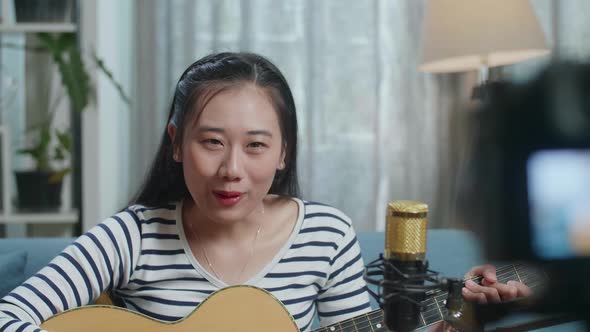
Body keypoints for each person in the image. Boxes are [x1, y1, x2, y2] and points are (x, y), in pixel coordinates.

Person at [0, 52, 529, 332]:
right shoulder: (130, 236)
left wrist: (460, 317)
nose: (231, 169)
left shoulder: (325, 234)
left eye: (256, 145)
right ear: (177, 145)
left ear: (284, 154)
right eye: (211, 142)